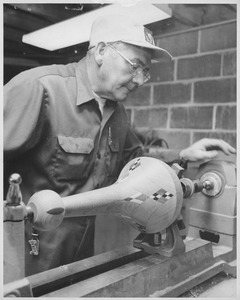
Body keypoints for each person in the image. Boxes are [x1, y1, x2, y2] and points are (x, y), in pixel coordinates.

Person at [4, 14, 236, 276]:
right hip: (24, 253)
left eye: (146, 72)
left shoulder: (117, 113)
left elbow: (136, 162)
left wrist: (183, 154)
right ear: (102, 51)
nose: (139, 80)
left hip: (79, 253)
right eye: (134, 66)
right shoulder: (39, 89)